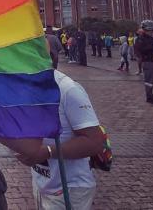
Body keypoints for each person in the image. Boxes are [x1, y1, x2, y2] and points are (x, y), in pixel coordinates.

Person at [8, 70, 104, 210]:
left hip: (69, 189)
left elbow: (95, 142)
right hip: (42, 185)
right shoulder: (24, 87)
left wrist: (47, 152)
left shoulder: (67, 89)